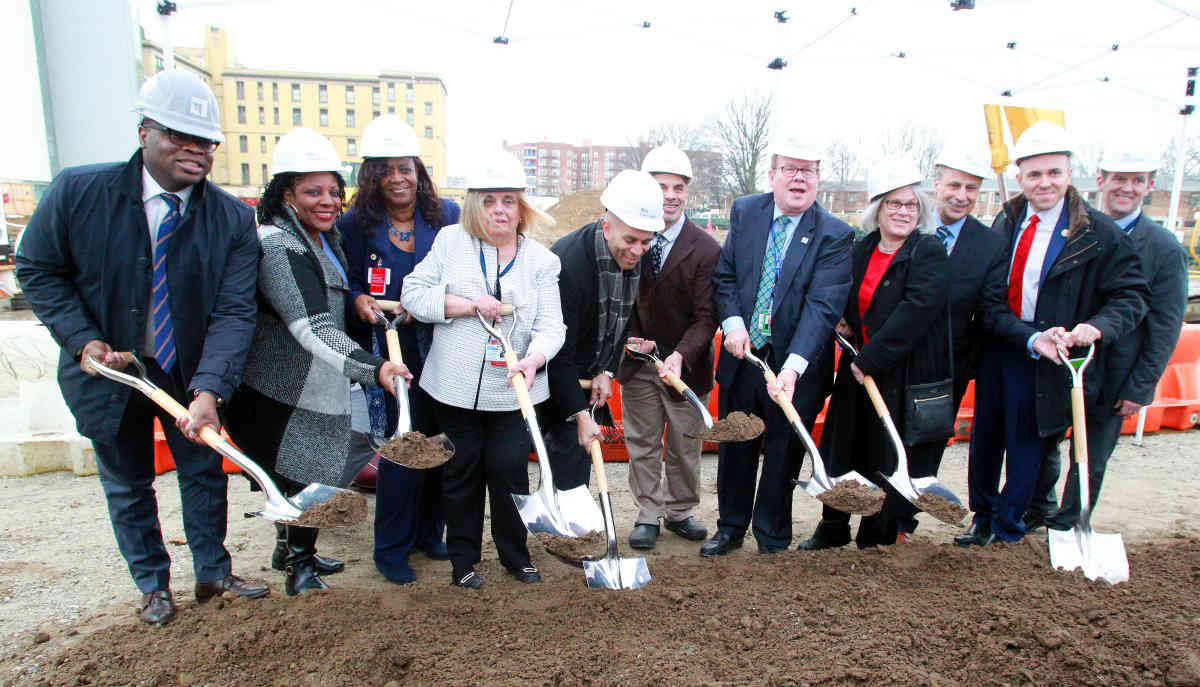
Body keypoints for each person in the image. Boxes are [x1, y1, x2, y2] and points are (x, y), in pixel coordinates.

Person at [14, 71, 267, 625]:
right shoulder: (78, 193)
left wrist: (209, 389)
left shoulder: (230, 218)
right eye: (180, 137)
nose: (196, 152)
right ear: (144, 131)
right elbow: (37, 267)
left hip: (186, 366)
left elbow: (233, 310)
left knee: (203, 471)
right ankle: (153, 585)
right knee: (128, 481)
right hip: (109, 371)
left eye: (206, 143)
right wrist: (82, 338)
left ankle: (213, 573)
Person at [223, 128, 409, 595]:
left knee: (308, 472)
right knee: (304, 475)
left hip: (314, 379)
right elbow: (312, 326)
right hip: (279, 388)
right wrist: (376, 367)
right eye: (312, 192)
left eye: (332, 191)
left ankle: (292, 549)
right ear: (285, 193)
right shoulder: (278, 245)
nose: (326, 201)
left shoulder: (321, 239)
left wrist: (357, 301)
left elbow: (330, 301)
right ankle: (299, 572)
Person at [957, 122, 1147, 547]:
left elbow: (1132, 295)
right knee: (985, 438)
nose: (1044, 183)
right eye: (1035, 174)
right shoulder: (1005, 222)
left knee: (1027, 446)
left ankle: (1009, 527)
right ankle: (982, 516)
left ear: (1069, 175)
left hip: (1053, 356)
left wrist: (1093, 328)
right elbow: (988, 294)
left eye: (1054, 173)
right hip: (1003, 344)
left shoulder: (1097, 233)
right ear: (1021, 177)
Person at [401, 152, 565, 589]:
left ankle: (515, 555)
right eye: (490, 199)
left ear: (521, 207)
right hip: (454, 388)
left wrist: (534, 360)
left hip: (514, 390)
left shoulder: (541, 262)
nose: (499, 209)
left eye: (508, 200)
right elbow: (413, 295)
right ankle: (463, 561)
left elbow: (553, 327)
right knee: (461, 471)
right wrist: (466, 306)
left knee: (510, 469)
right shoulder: (450, 243)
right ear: (475, 204)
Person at [1027, 149, 1187, 532]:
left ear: (1149, 187)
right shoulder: (1071, 231)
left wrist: (1141, 386)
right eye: (1118, 178)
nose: (1126, 188)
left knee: (1091, 459)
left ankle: (1067, 526)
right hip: (1062, 362)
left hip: (1116, 372)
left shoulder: (1163, 248)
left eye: (1136, 180)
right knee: (1044, 445)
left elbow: (1166, 324)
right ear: (1100, 181)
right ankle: (1038, 513)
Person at [708, 136, 854, 556]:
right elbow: (727, 276)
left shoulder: (835, 234)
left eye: (808, 171)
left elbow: (823, 307)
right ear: (772, 175)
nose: (798, 178)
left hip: (797, 363)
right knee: (737, 442)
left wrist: (791, 368)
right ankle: (731, 528)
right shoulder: (746, 211)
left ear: (818, 180)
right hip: (744, 355)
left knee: (784, 450)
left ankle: (772, 536)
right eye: (790, 168)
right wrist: (733, 325)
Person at [798, 163, 951, 549]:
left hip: (900, 375)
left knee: (885, 457)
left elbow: (915, 312)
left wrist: (871, 358)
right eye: (894, 204)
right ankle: (833, 526)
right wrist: (843, 324)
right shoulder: (862, 248)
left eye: (911, 206)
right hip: (858, 371)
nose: (903, 212)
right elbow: (849, 297)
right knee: (845, 449)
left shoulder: (927, 251)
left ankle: (876, 537)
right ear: (878, 209)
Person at [339, 116, 459, 585]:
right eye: (386, 170)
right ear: (372, 176)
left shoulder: (445, 215)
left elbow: (461, 270)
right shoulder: (354, 225)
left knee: (438, 440)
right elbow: (344, 278)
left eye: (405, 168)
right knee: (399, 444)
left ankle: (430, 532)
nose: (397, 179)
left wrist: (425, 303)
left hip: (441, 342)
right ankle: (391, 547)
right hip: (388, 346)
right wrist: (359, 300)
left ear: (418, 171)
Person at [891, 153, 1009, 541]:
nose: (961, 195)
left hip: (946, 366)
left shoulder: (989, 244)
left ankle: (903, 523)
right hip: (893, 357)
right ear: (936, 185)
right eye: (954, 185)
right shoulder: (906, 224)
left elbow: (989, 309)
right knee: (885, 438)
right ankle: (876, 517)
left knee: (926, 446)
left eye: (971, 188)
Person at [617, 145, 721, 550]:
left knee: (684, 444)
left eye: (679, 187)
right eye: (662, 186)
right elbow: (618, 299)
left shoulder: (706, 249)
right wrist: (627, 340)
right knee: (642, 443)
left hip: (686, 366)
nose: (671, 195)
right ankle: (648, 515)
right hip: (638, 364)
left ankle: (679, 511)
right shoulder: (631, 240)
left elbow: (705, 316)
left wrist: (680, 354)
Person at [542, 170, 666, 492]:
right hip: (553, 370)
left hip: (587, 369)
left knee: (579, 459)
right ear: (607, 226)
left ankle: (574, 520)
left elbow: (621, 323)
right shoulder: (569, 263)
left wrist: (607, 370)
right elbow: (557, 351)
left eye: (646, 241)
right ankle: (564, 531)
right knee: (566, 447)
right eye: (630, 240)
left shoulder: (632, 257)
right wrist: (580, 414)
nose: (638, 251)